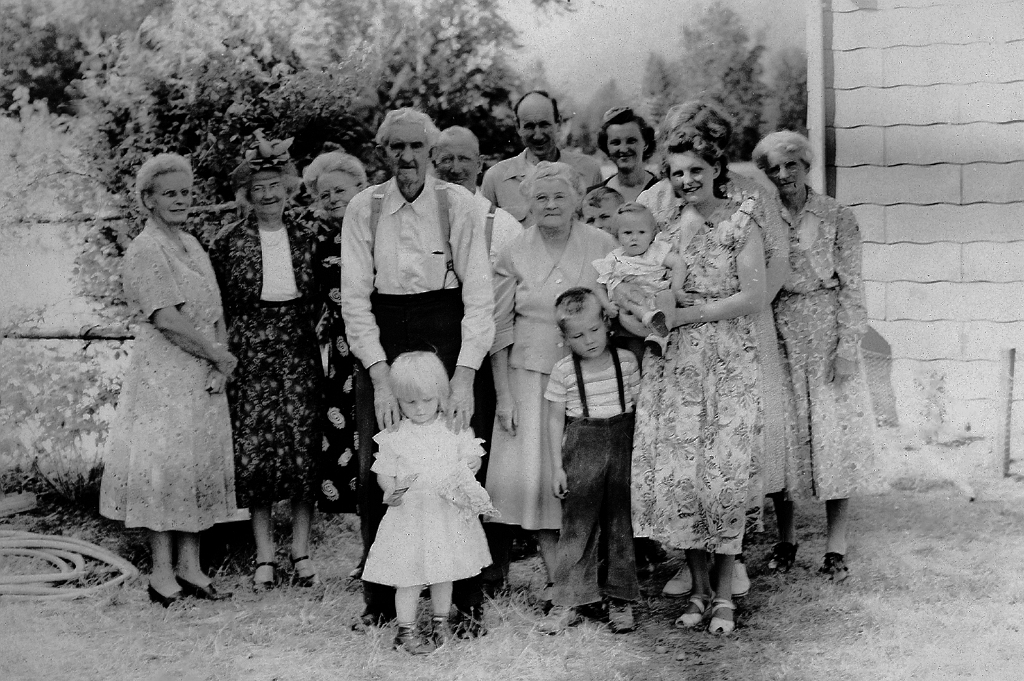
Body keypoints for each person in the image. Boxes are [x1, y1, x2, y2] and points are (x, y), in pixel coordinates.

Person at [340, 108, 495, 634]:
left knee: (454, 459)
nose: (407, 158)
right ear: (382, 152)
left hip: (444, 327)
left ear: (431, 151)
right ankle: (382, 600)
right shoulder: (364, 208)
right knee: (382, 463)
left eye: (416, 147)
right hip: (384, 334)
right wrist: (379, 376)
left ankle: (464, 602)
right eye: (396, 148)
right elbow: (355, 300)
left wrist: (466, 374)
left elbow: (479, 297)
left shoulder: (460, 206)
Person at [638, 101, 792, 600]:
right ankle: (693, 568)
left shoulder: (749, 203)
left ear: (718, 157)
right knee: (684, 455)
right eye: (678, 163)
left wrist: (714, 311)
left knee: (728, 453)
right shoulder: (657, 203)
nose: (687, 175)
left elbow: (769, 273)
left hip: (731, 334)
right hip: (676, 349)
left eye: (702, 153)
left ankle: (731, 564)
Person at [100, 153, 238, 605]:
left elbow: (214, 309)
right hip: (164, 374)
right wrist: (216, 355)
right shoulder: (145, 249)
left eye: (185, 192)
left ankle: (191, 568)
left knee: (195, 465)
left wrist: (219, 362)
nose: (180, 200)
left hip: (201, 373)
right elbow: (168, 319)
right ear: (148, 199)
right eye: (170, 193)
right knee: (165, 469)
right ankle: (161, 575)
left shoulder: (191, 244)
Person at [485, 161, 617, 596]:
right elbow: (500, 328)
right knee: (538, 482)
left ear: (578, 199)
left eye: (560, 195)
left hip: (589, 378)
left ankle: (584, 579)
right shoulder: (513, 251)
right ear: (528, 203)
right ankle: (559, 580)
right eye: (541, 197)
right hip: (530, 379)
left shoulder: (601, 243)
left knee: (586, 478)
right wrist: (505, 396)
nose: (551, 204)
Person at [752, 130, 876, 581]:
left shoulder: (836, 216)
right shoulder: (760, 218)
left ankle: (836, 545)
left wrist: (847, 346)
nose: (783, 175)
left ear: (806, 166)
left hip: (825, 331)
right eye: (773, 169)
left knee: (832, 438)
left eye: (792, 165)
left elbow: (852, 285)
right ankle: (786, 540)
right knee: (783, 437)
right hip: (778, 329)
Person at [211, 133, 324, 591]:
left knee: (301, 448)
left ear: (289, 187)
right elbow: (216, 304)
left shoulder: (307, 236)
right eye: (258, 188)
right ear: (246, 194)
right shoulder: (227, 242)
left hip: (297, 347)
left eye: (275, 185)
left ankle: (300, 551)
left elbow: (319, 297)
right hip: (251, 349)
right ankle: (263, 555)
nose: (268, 195)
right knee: (254, 451)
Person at [361, 351, 495, 654]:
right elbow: (384, 472)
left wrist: (471, 463)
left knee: (443, 570)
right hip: (410, 515)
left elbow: (470, 455)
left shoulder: (454, 427)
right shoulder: (396, 435)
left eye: (427, 400)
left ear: (440, 394)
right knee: (407, 575)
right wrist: (391, 490)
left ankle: (440, 622)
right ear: (398, 399)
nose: (419, 409)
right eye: (410, 403)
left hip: (445, 513)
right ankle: (405, 631)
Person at [537, 288, 641, 634]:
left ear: (606, 324)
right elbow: (554, 420)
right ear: (565, 337)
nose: (589, 340)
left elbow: (641, 411)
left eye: (594, 330)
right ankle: (567, 600)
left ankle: (620, 601)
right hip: (583, 450)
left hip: (623, 450)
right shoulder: (563, 371)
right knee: (577, 528)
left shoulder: (626, 361)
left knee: (619, 527)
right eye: (578, 335)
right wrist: (557, 468)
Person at [302, 149, 366, 517]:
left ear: (360, 187)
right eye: (324, 195)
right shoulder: (320, 242)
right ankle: (367, 548)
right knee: (351, 445)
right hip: (343, 354)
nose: (332, 200)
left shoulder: (378, 232)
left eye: (339, 191)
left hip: (382, 345)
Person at [481, 91, 604, 225]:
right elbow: (485, 235)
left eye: (544, 124)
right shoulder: (496, 178)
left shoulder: (589, 171)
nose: (538, 135)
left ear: (558, 123)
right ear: (518, 127)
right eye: (529, 126)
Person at [592, 202, 686, 353]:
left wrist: (677, 288)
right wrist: (607, 306)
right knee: (624, 291)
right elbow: (600, 286)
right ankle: (648, 317)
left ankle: (661, 334)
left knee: (667, 295)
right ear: (617, 236)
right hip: (632, 309)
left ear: (652, 234)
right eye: (627, 233)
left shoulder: (655, 252)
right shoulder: (614, 259)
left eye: (642, 232)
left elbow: (678, 263)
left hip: (656, 300)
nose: (634, 238)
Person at [430, 125, 522, 267]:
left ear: (479, 164)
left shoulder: (505, 226)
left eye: (463, 159)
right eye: (447, 159)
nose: (456, 169)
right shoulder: (423, 219)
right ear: (435, 165)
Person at [591, 107, 660, 202]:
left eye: (631, 141)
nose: (623, 149)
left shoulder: (663, 191)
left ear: (646, 144)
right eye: (616, 142)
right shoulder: (594, 196)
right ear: (606, 147)